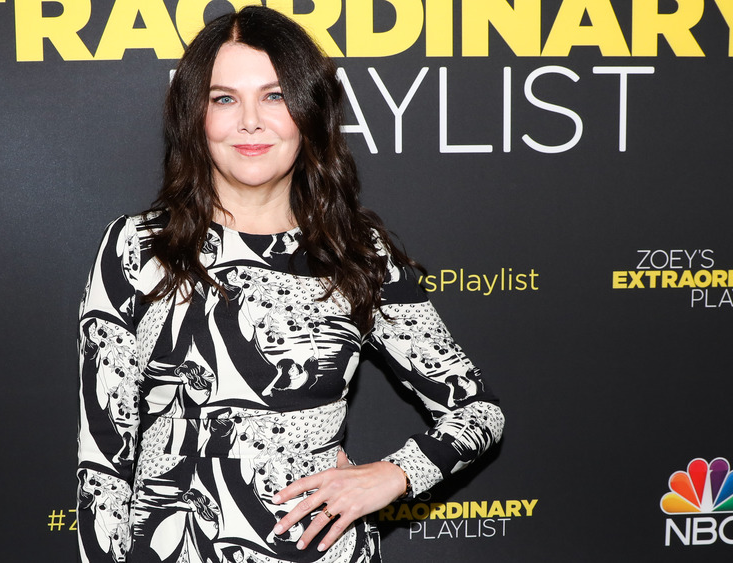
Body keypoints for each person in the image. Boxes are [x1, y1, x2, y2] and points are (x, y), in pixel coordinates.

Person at [77, 7, 503, 562]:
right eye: (224, 98)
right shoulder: (138, 247)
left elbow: (478, 410)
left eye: (274, 96)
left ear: (308, 112)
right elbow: (102, 461)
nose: (250, 121)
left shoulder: (354, 251)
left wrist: (396, 474)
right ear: (194, 116)